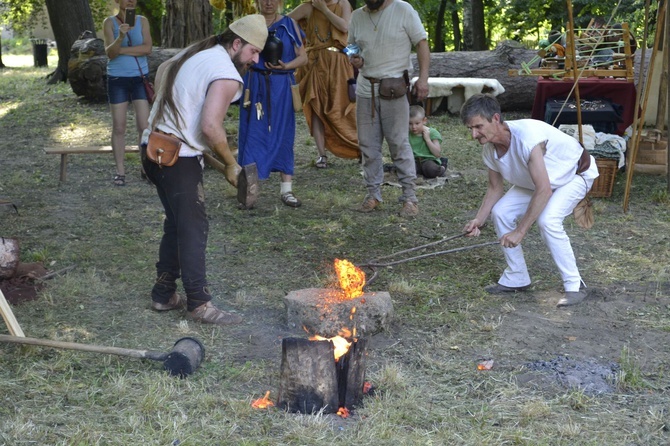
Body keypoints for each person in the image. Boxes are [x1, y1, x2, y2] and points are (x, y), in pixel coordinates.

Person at [141, 15, 268, 325]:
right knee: (194, 227)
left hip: (152, 148)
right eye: (252, 51)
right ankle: (199, 303)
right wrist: (229, 163)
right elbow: (211, 127)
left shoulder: (197, 54)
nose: (255, 59)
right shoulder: (226, 73)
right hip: (177, 157)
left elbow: (163, 76)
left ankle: (163, 294)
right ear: (236, 44)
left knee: (176, 222)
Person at [460, 94, 599, 307]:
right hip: (537, 182)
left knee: (548, 220)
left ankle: (575, 286)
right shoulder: (489, 148)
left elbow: (543, 191)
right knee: (501, 212)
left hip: (574, 175)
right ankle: (517, 277)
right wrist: (478, 220)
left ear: (495, 119)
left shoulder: (527, 137)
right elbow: (494, 188)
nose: (473, 134)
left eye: (478, 127)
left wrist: (520, 231)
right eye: (470, 128)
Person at [348, 0, 430, 218]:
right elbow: (351, 45)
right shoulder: (357, 16)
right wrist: (354, 57)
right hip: (366, 88)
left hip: (394, 88)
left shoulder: (403, 9)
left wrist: (423, 78)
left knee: (398, 143)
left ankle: (410, 198)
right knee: (368, 145)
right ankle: (373, 194)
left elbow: (421, 42)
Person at [237, 0, 308, 208]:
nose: (268, 3)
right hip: (254, 84)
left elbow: (303, 57)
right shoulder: (249, 24)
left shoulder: (289, 24)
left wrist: (287, 66)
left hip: (281, 86)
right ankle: (248, 189)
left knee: (284, 133)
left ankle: (287, 190)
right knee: (253, 133)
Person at [289, 0, 360, 168]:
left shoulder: (343, 4)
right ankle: (322, 155)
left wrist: (323, 9)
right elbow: (285, 21)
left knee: (345, 107)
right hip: (314, 63)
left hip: (339, 64)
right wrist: (299, 42)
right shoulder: (308, 6)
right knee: (316, 108)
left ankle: (360, 149)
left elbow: (344, 27)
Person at [103, 0, 152, 186]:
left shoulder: (142, 21)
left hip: (140, 79)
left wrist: (121, 50)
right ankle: (120, 172)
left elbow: (147, 48)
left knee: (144, 126)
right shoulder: (110, 22)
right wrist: (121, 36)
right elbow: (110, 53)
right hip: (117, 80)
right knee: (119, 127)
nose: (130, 0)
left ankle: (145, 169)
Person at [408, 105, 445, 179]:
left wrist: (427, 139)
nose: (414, 127)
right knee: (407, 171)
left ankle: (442, 168)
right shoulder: (407, 134)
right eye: (410, 124)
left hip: (429, 160)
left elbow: (437, 154)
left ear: (424, 121)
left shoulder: (432, 132)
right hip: (414, 161)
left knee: (430, 169)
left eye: (417, 123)